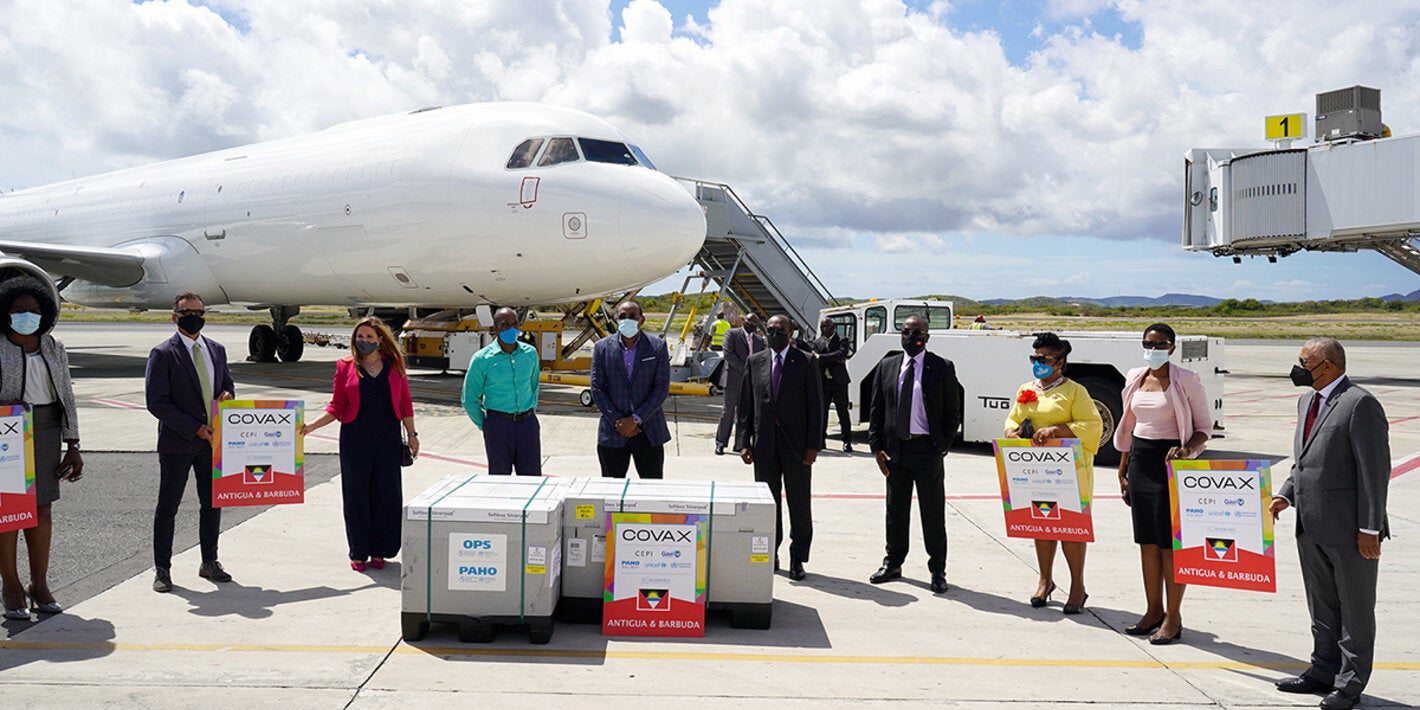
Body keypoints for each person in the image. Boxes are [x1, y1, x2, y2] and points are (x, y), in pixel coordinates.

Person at [1269, 337, 1390, 710]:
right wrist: (1286, 494)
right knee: (1322, 605)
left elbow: (1374, 471)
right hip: (1310, 523)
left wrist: (1370, 527)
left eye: (1306, 362)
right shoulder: (1307, 400)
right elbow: (1304, 460)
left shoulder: (1360, 404)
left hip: (1350, 530)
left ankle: (1350, 683)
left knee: (1355, 609)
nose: (1299, 368)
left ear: (1330, 365)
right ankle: (1322, 670)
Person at [1114, 323, 1211, 645]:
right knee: (1147, 541)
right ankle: (1152, 610)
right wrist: (1123, 466)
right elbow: (1130, 424)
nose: (1152, 349)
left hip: (1171, 462)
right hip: (1140, 459)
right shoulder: (1135, 376)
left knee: (1170, 544)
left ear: (1172, 347)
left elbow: (1203, 428)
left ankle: (1173, 615)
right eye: (1147, 343)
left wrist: (1188, 450)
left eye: (1159, 344)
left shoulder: (1186, 381)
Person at [302, 317, 418, 571]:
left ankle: (381, 550)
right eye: (359, 336)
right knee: (357, 495)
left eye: (368, 337)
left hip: (387, 437)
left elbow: (405, 402)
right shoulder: (345, 366)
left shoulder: (395, 365)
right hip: (356, 436)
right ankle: (358, 551)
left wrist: (412, 434)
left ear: (380, 339)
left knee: (387, 494)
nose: (363, 341)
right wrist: (311, 426)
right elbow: (337, 406)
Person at [0, 277, 82, 619]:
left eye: (32, 310)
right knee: (9, 515)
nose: (25, 315)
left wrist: (73, 443)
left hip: (47, 429)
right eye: (17, 310)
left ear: (43, 313)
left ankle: (40, 584)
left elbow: (67, 394)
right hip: (8, 431)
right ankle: (11, 586)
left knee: (41, 511)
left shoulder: (53, 346)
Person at [1003, 332, 1102, 614]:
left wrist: (1056, 430)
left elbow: (1092, 425)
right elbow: (1014, 417)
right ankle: (1045, 581)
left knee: (1070, 528)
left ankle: (1077, 587)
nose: (1037, 363)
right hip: (1036, 469)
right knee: (1042, 524)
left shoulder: (1075, 391)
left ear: (1059, 362)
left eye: (1043, 359)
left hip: (1068, 471)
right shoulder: (1027, 389)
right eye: (1034, 358)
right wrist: (1011, 430)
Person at [145, 292, 236, 593]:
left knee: (212, 503)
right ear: (175, 317)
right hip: (179, 442)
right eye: (186, 313)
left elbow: (226, 383)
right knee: (168, 507)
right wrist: (195, 428)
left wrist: (227, 396)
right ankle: (162, 569)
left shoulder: (217, 349)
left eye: (198, 311)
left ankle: (209, 561)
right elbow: (157, 402)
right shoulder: (163, 353)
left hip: (212, 442)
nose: (194, 316)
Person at [866, 315, 959, 594]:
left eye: (917, 332)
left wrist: (941, 445)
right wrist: (876, 447)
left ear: (927, 337)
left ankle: (937, 569)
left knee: (932, 513)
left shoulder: (941, 367)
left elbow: (953, 411)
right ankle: (893, 563)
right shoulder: (887, 366)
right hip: (895, 451)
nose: (911, 336)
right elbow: (877, 409)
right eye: (906, 331)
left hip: (926, 451)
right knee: (895, 511)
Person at [735, 314, 823, 581]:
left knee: (799, 504)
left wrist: (813, 446)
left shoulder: (806, 362)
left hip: (797, 448)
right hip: (764, 446)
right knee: (768, 506)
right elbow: (746, 406)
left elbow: (816, 407)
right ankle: (770, 553)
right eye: (771, 330)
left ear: (790, 332)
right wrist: (743, 442)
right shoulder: (755, 361)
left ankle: (798, 558)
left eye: (780, 330)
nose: (774, 334)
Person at [590, 300, 671, 478]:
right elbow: (597, 389)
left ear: (642, 320)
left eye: (632, 316)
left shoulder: (657, 346)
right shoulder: (601, 348)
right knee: (612, 491)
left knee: (652, 488)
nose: (627, 320)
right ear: (616, 319)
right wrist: (620, 421)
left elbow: (661, 388)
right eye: (622, 316)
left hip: (648, 430)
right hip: (614, 430)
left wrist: (635, 419)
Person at [462, 307, 541, 475]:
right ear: (495, 328)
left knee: (532, 479)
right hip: (499, 425)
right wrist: (486, 425)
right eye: (505, 325)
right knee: (499, 479)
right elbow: (469, 399)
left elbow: (534, 386)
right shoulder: (482, 359)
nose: (510, 329)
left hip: (527, 424)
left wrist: (530, 411)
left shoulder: (530, 354)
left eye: (514, 324)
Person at [715, 313, 763, 455]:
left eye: (755, 325)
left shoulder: (759, 340)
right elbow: (728, 354)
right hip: (733, 379)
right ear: (744, 321)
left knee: (745, 414)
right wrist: (746, 369)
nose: (752, 327)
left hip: (751, 381)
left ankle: (740, 444)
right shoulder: (732, 334)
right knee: (728, 411)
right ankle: (721, 443)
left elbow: (761, 358)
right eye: (750, 323)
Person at [804, 317, 854, 453]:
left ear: (834, 327)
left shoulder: (842, 340)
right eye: (823, 326)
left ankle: (847, 441)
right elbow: (814, 357)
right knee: (822, 412)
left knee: (842, 413)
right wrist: (832, 359)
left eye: (828, 325)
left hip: (839, 382)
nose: (825, 328)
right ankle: (821, 440)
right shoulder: (816, 341)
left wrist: (822, 357)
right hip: (823, 382)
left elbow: (841, 353)